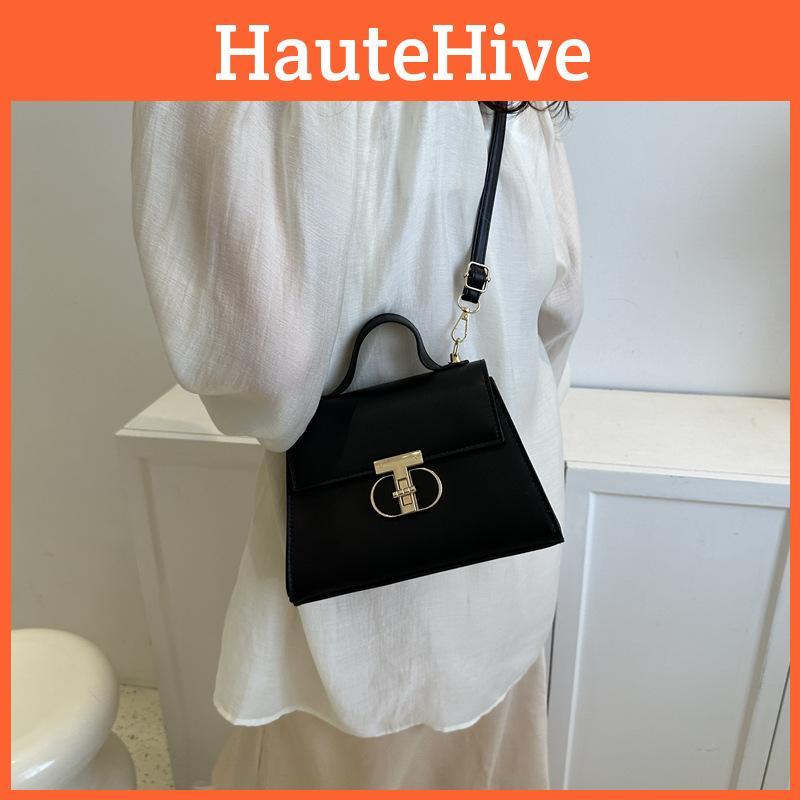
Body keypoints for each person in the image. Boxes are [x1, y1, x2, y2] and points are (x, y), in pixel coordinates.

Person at [132, 100, 582, 789]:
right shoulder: (508, 76)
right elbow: (560, 310)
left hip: (362, 616)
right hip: (506, 550)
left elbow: (262, 368)